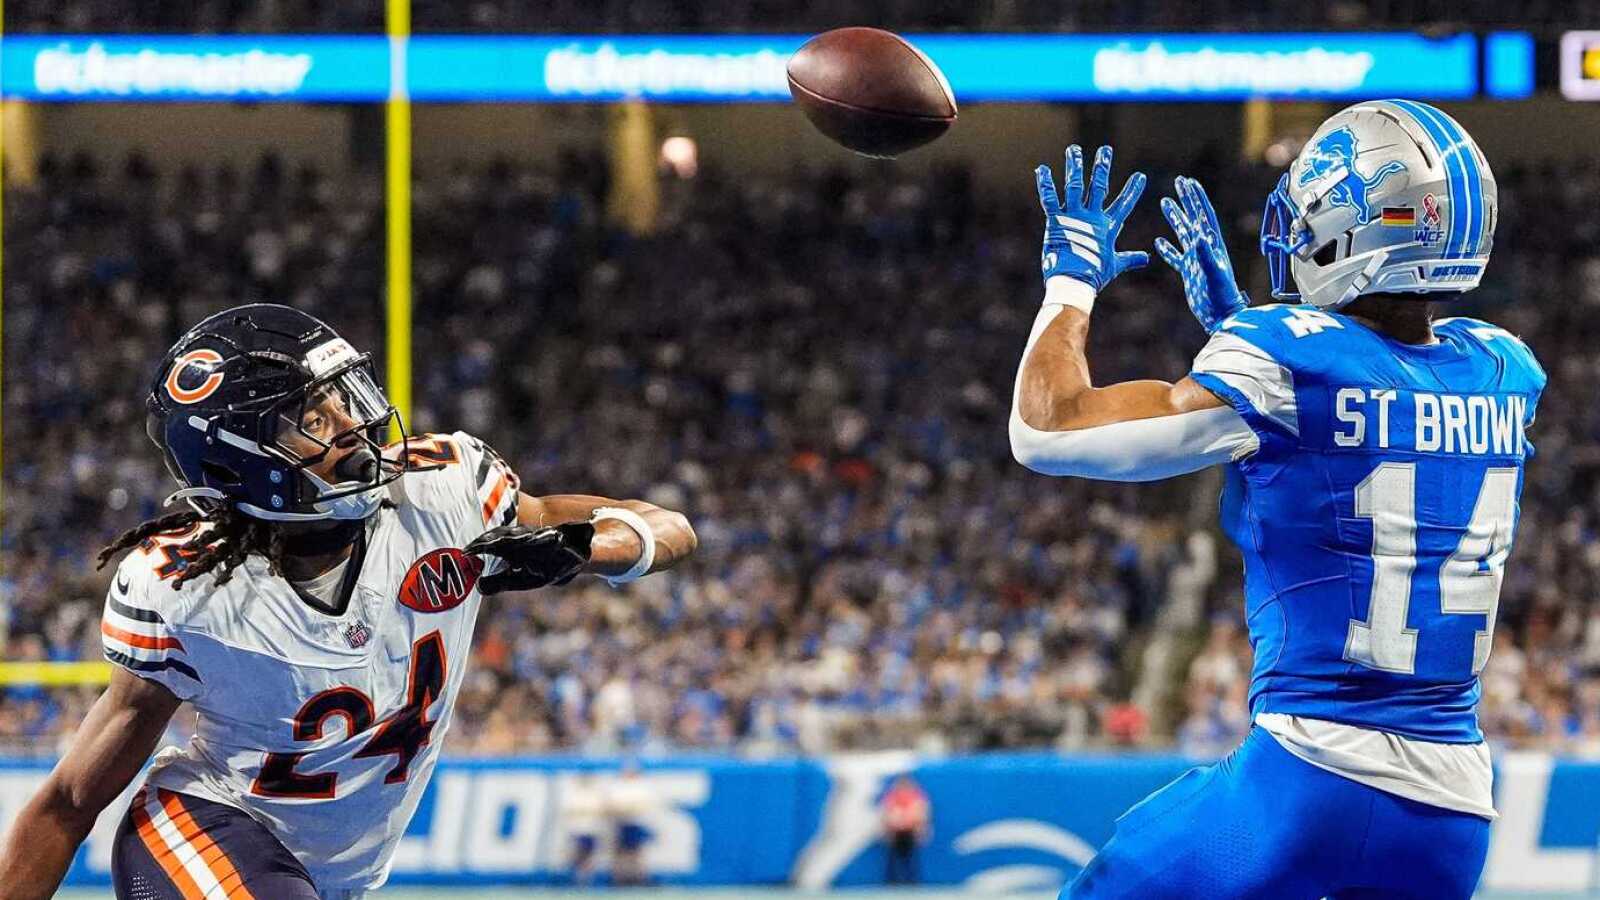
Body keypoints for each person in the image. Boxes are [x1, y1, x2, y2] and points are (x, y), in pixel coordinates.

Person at [1010, 100, 1540, 899]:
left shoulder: (1283, 362)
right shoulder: (1503, 370)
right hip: (1452, 815)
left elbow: (1046, 429)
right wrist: (1242, 330)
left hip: (1304, 783)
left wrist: (1070, 285)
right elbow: (1380, 422)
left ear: (1358, 231)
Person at [0, 304, 697, 899]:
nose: (352, 424)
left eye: (345, 397)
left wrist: (582, 549)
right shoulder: (187, 591)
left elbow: (669, 527)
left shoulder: (444, 494)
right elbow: (69, 801)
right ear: (243, 463)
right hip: (206, 826)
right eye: (313, 417)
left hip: (330, 875)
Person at [879, 774, 931, 884]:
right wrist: (887, 830)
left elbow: (922, 813)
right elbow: (886, 814)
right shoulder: (892, 796)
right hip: (896, 831)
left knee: (910, 858)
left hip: (910, 830)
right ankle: (893, 881)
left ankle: (911, 881)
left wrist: (922, 828)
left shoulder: (916, 796)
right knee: (893, 859)